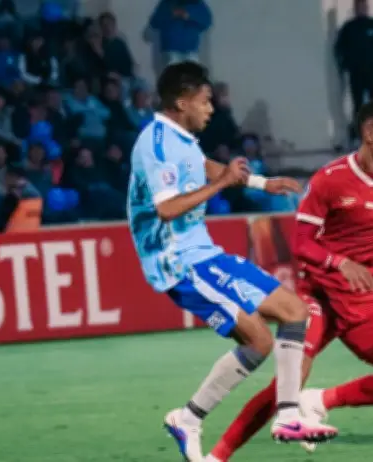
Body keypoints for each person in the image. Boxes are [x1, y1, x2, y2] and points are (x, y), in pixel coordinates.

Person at [126, 61, 337, 462]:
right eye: (205, 101)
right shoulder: (156, 144)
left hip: (201, 253)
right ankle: (281, 415)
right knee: (282, 320)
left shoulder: (181, 138)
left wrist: (260, 182)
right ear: (182, 102)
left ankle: (196, 418)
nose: (212, 109)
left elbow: (204, 167)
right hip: (178, 262)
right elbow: (167, 209)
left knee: (272, 331)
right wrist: (221, 184)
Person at [206, 100, 373, 462]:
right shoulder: (330, 179)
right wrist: (340, 263)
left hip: (360, 302)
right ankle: (216, 457)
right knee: (284, 390)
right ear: (371, 134)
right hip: (318, 298)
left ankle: (319, 401)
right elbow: (302, 244)